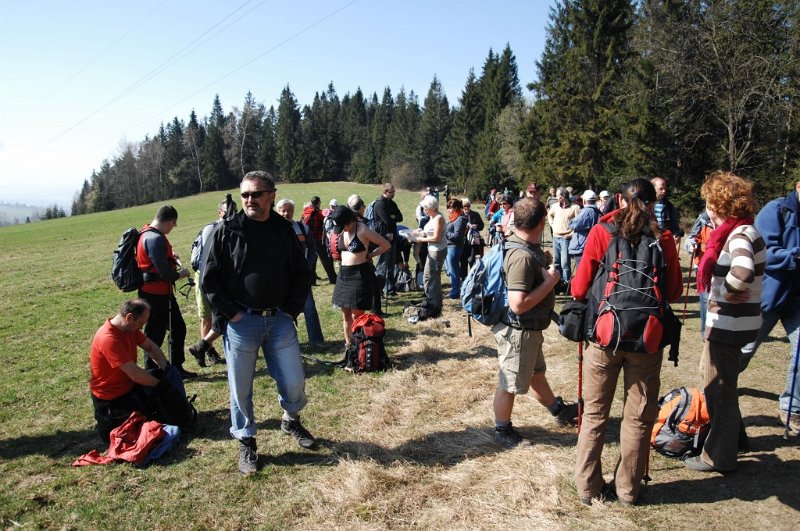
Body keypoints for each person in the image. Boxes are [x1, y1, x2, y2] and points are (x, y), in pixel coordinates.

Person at [571, 178, 682, 505]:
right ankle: (629, 490)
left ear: (619, 199)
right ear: (653, 204)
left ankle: (588, 487)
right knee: (638, 418)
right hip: (647, 340)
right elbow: (674, 292)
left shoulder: (602, 233)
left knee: (594, 414)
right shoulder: (663, 238)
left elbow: (578, 289)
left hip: (605, 337)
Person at [202, 171, 315, 476]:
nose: (249, 200)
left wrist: (290, 311)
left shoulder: (284, 230)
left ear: (271, 195)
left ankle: (290, 419)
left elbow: (301, 273)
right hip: (242, 323)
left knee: (294, 381)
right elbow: (209, 279)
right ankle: (247, 441)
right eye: (245, 195)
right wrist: (232, 315)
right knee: (240, 389)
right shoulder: (228, 231)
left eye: (256, 194)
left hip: (279, 320)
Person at [683, 171, 764, 473]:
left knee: (719, 389)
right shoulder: (742, 230)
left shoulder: (739, 235)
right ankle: (736, 441)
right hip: (733, 323)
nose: (707, 209)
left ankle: (719, 457)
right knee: (723, 383)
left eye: (709, 203)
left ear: (719, 204)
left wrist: (727, 292)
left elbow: (742, 272)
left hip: (730, 325)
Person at [492, 197, 578, 448]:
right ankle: (502, 429)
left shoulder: (526, 246)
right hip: (518, 331)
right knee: (509, 383)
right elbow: (518, 304)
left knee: (535, 374)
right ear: (542, 222)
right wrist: (550, 283)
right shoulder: (521, 256)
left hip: (529, 330)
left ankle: (559, 411)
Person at [740, 179, 800, 435]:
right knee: (745, 349)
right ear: (798, 185)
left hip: (797, 300)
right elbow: (764, 251)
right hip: (769, 296)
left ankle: (792, 407)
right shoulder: (777, 210)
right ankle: (719, 384)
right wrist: (794, 255)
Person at [90, 299, 193, 442]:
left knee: (163, 382)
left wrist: (166, 368)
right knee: (137, 432)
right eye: (140, 323)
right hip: (112, 399)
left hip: (129, 387)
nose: (142, 327)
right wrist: (162, 385)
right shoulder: (109, 338)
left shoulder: (130, 328)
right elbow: (135, 375)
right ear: (129, 317)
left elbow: (151, 347)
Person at [136, 205, 195, 378]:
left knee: (178, 328)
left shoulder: (146, 234)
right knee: (155, 334)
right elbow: (165, 273)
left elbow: (157, 262)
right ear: (169, 221)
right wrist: (181, 274)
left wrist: (171, 258)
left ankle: (176, 368)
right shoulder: (155, 239)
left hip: (159, 293)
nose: (173, 227)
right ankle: (152, 371)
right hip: (155, 296)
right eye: (174, 224)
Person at [329, 206, 390, 351]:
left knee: (357, 315)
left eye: (343, 225)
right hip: (344, 275)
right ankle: (349, 346)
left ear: (349, 221)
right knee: (345, 315)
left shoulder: (362, 229)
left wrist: (370, 255)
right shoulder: (342, 230)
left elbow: (386, 245)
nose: (342, 229)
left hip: (359, 275)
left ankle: (359, 345)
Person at [276, 198, 325, 347]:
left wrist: (307, 269)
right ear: (277, 212)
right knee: (282, 312)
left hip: (301, 278)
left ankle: (316, 341)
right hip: (281, 279)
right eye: (283, 211)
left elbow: (312, 251)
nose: (286, 213)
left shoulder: (303, 228)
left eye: (289, 210)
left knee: (309, 308)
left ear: (293, 211)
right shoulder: (272, 231)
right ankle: (287, 344)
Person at [188, 199, 231, 367]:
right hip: (205, 277)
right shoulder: (211, 229)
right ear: (220, 212)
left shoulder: (233, 229)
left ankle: (206, 348)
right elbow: (207, 258)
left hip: (222, 278)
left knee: (224, 314)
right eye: (227, 211)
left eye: (234, 211)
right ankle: (208, 351)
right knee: (207, 317)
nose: (231, 214)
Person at [414, 195, 447, 317]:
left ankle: (435, 305)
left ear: (432, 208)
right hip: (432, 250)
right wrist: (418, 233)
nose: (425, 211)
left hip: (437, 251)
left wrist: (421, 239)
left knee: (433, 278)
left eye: (426, 209)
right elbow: (429, 231)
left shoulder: (438, 218)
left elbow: (436, 238)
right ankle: (431, 300)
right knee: (428, 276)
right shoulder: (432, 217)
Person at [684, 210, 715, 337]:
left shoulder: (730, 219)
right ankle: (706, 334)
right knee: (705, 299)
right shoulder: (703, 219)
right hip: (703, 265)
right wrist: (692, 244)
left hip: (722, 265)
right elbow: (692, 238)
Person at [373, 183, 404, 297]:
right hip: (382, 238)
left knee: (391, 265)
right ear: (386, 192)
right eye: (392, 192)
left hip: (393, 237)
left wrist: (393, 216)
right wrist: (392, 216)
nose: (394, 194)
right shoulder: (379, 204)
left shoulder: (392, 203)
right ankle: (379, 290)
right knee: (382, 265)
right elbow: (387, 220)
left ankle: (390, 288)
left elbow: (400, 217)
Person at [547, 187, 580, 293]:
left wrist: (571, 234)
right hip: (555, 237)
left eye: (557, 196)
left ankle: (566, 286)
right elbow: (549, 215)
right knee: (556, 262)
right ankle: (557, 285)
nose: (556, 198)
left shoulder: (575, 207)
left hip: (566, 238)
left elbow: (579, 223)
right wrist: (552, 225)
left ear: (562, 197)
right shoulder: (555, 206)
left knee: (565, 264)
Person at [301, 196, 336, 285]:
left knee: (312, 259)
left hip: (308, 239)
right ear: (318, 203)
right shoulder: (319, 213)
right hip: (318, 239)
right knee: (326, 259)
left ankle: (312, 280)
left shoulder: (305, 211)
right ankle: (333, 278)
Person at [568, 190, 601, 270]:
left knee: (581, 271)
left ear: (585, 200)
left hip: (582, 245)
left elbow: (574, 224)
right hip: (588, 244)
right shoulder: (595, 210)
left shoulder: (587, 211)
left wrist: (570, 221)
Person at [651, 176, 684, 251]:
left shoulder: (668, 206)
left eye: (665, 189)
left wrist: (676, 234)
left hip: (664, 241)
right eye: (661, 188)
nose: (664, 191)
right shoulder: (645, 204)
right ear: (653, 188)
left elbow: (674, 223)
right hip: (650, 240)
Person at [445, 198, 468, 299]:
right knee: (451, 270)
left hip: (454, 247)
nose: (448, 210)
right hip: (449, 246)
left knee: (453, 271)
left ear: (456, 208)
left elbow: (457, 236)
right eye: (448, 208)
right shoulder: (452, 218)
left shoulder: (459, 219)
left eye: (450, 208)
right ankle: (457, 289)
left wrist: (445, 233)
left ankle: (455, 293)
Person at [460, 197, 485, 279]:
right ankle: (464, 279)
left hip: (474, 240)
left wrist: (476, 226)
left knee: (471, 260)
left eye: (468, 206)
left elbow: (482, 226)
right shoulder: (460, 216)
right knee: (463, 260)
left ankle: (473, 278)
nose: (466, 208)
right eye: (464, 206)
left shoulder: (475, 214)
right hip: (463, 241)